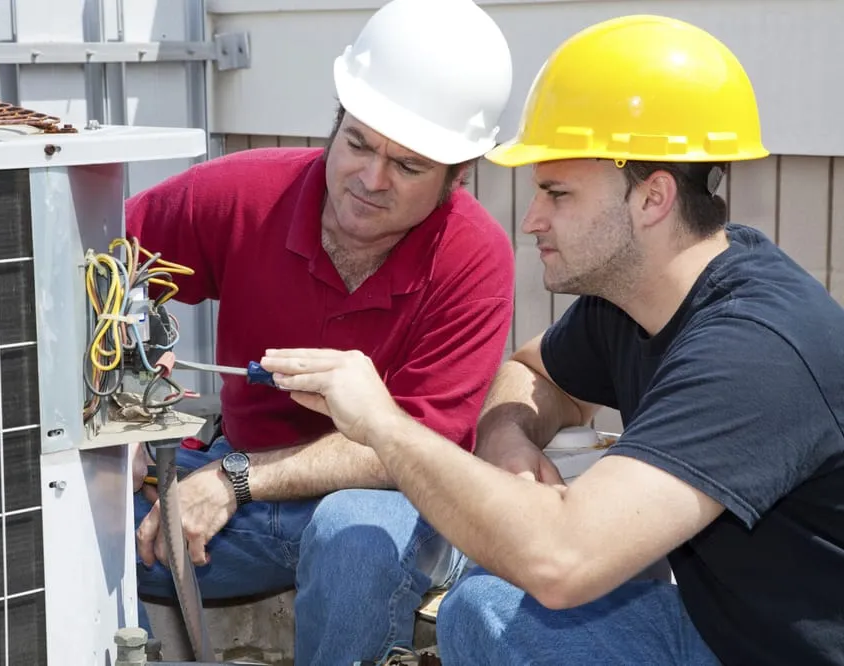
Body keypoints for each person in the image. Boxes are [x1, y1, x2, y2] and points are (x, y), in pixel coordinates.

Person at [260, 14, 844, 666]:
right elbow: (533, 371)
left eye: (556, 193)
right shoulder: (635, 301)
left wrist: (382, 424)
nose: (531, 219)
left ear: (651, 199)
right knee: (483, 612)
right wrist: (509, 440)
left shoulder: (755, 354)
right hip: (716, 629)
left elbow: (563, 562)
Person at [123, 0, 515, 661]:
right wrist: (116, 404)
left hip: (385, 510)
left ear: (458, 176)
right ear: (335, 123)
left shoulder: (475, 257)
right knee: (75, 524)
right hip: (233, 501)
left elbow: (415, 447)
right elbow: (88, 272)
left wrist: (232, 481)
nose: (370, 179)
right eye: (358, 143)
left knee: (353, 534)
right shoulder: (242, 195)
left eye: (409, 166)